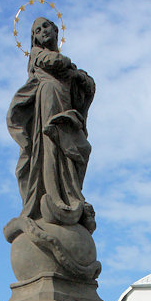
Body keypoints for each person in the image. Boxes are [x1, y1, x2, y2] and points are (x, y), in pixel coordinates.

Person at [7, 17, 96, 230]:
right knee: (50, 148)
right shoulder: (37, 55)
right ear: (34, 39)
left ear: (56, 30)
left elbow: (89, 85)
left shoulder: (68, 67)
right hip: (47, 103)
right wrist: (71, 70)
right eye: (37, 30)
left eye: (45, 26)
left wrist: (78, 76)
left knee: (75, 152)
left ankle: (70, 196)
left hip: (66, 109)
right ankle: (52, 196)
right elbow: (55, 62)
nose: (42, 31)